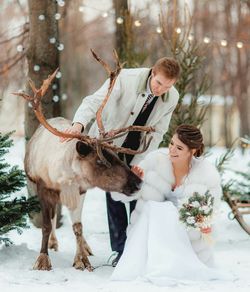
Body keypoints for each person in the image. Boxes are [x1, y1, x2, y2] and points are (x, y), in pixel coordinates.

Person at [62, 57, 180, 266]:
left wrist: (142, 162)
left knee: (139, 195)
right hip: (108, 145)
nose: (161, 89)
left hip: (138, 150)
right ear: (153, 72)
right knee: (115, 195)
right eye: (159, 83)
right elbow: (93, 101)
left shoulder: (172, 97)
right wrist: (78, 124)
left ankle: (137, 249)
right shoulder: (125, 79)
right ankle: (121, 251)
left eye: (168, 86)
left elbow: (159, 131)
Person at [111, 125, 230, 285]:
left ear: (192, 151)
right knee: (154, 208)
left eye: (179, 148)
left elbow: (212, 213)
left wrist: (206, 225)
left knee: (169, 211)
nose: (172, 150)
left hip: (186, 241)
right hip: (149, 238)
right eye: (171, 144)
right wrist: (131, 182)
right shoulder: (155, 161)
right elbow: (120, 197)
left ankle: (176, 265)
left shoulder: (206, 175)